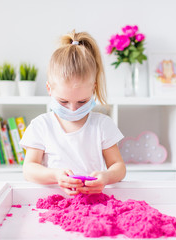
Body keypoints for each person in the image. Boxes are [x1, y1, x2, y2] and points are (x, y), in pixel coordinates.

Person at [20, 30, 126, 196]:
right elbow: (29, 169)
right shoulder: (41, 126)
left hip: (93, 204)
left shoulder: (102, 125)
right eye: (63, 101)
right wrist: (56, 175)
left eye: (82, 101)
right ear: (49, 89)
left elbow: (119, 167)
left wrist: (106, 177)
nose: (73, 109)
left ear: (93, 88)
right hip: (54, 203)